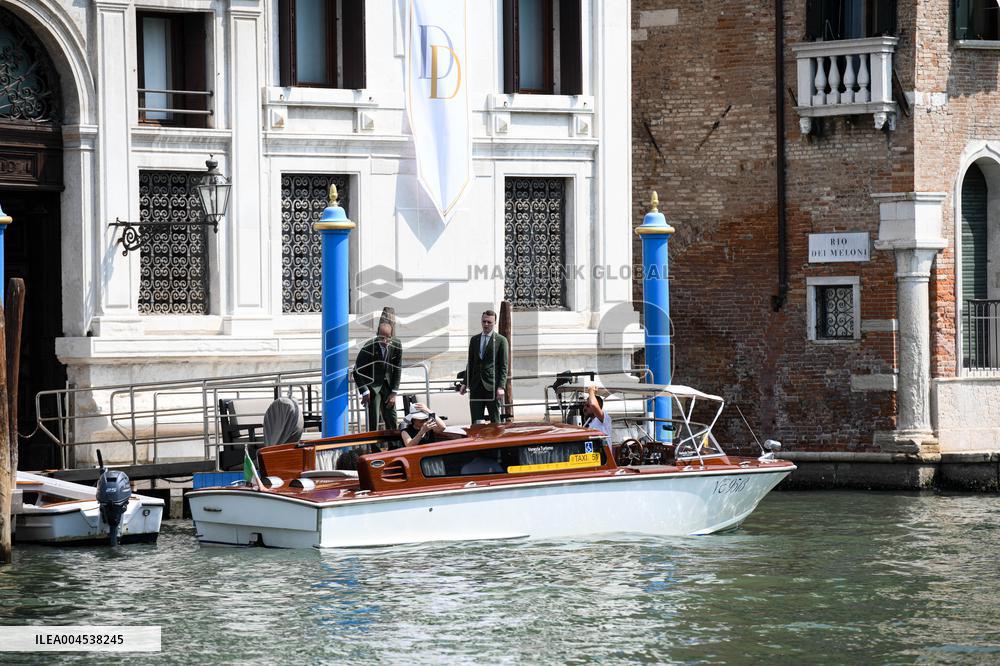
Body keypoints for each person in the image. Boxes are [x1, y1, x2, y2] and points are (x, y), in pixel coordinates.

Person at [459, 309, 509, 424]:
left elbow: (503, 366)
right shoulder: (474, 339)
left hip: (492, 386)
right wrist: (465, 382)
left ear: (494, 323)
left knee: (495, 420)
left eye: (489, 322)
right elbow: (470, 362)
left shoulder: (501, 341)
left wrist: (501, 386)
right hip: (476, 386)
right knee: (476, 421)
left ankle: (496, 441)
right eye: (484, 321)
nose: (486, 324)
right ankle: (478, 440)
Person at [352, 322, 402, 431]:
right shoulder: (369, 347)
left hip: (388, 385)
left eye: (388, 338)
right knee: (373, 417)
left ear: (392, 336)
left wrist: (394, 392)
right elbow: (356, 371)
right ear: (377, 334)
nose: (385, 341)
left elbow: (398, 368)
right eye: (381, 338)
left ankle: (394, 446)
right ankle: (374, 447)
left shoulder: (397, 344)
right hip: (373, 386)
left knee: (392, 417)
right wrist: (365, 391)